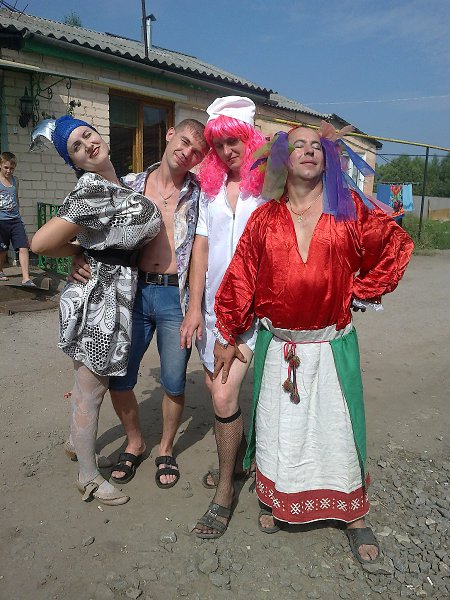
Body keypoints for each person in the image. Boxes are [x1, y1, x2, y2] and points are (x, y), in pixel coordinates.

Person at [211, 122, 414, 561]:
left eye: (316, 146)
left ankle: (353, 515)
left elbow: (395, 245)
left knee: (337, 431)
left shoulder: (349, 211)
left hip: (330, 347)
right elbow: (241, 278)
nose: (308, 151)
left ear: (327, 160)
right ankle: (278, 499)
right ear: (283, 159)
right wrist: (227, 333)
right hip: (279, 346)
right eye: (298, 145)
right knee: (279, 430)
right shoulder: (264, 219)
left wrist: (360, 290)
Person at [70, 119, 209, 489]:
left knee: (174, 380)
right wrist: (76, 256)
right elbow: (94, 227)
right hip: (132, 293)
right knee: (119, 376)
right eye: (184, 141)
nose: (187, 152)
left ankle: (166, 448)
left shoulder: (201, 194)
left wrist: (195, 307)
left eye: (197, 150)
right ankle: (135, 442)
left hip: (175, 297)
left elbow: (201, 251)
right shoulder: (130, 185)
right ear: (169, 134)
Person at [30, 115, 161, 505]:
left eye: (87, 134)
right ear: (74, 162)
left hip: (113, 293)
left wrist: (83, 249)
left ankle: (77, 444)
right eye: (76, 147)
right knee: (92, 389)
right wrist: (78, 252)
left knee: (88, 384)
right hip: (98, 298)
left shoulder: (119, 185)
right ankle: (87, 476)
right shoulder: (89, 190)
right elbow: (40, 243)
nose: (87, 144)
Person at [179, 96, 266, 538]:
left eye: (235, 141)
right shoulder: (210, 189)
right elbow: (201, 248)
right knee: (217, 393)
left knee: (223, 398)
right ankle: (240, 457)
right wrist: (195, 307)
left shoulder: (269, 187)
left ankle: (225, 492)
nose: (227, 150)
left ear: (251, 138)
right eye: (219, 143)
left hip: (251, 313)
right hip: (212, 309)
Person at [0, 151, 36, 285]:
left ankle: (26, 278)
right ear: (0, 165)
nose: (9, 171)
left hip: (15, 220)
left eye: (12, 168)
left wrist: (18, 214)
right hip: (1, 221)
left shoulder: (15, 180)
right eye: (6, 167)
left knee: (23, 246)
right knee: (2, 249)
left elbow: (16, 198)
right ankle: (0, 270)